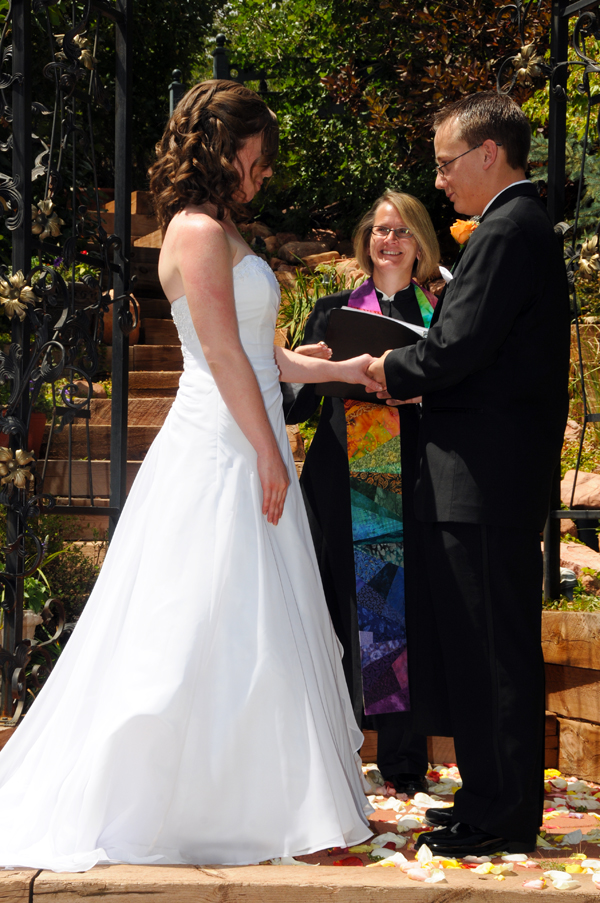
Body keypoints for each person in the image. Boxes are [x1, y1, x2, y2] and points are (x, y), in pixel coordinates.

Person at [0, 80, 381, 871]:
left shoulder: (223, 228)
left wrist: (337, 365)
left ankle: (286, 806)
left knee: (262, 615)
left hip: (247, 427)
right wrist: (271, 451)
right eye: (259, 155)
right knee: (209, 615)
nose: (264, 171)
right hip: (220, 445)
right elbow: (220, 354)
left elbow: (260, 349)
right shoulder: (197, 230)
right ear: (226, 146)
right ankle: (215, 805)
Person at [368, 92, 570, 856]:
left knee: (496, 650)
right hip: (479, 479)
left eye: (449, 163)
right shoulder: (512, 229)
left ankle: (506, 812)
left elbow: (455, 352)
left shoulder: (509, 230)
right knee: (480, 645)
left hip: (486, 480)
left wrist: (383, 362)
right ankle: (487, 795)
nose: (441, 179)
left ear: (490, 154)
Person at [285, 191, 440, 795]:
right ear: (365, 240)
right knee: (342, 614)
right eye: (379, 230)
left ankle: (403, 763)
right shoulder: (331, 312)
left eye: (401, 230)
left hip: (417, 479)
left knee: (398, 616)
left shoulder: (443, 311)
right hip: (341, 478)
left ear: (420, 241)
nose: (389, 240)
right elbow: (298, 407)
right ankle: (338, 759)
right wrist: (297, 365)